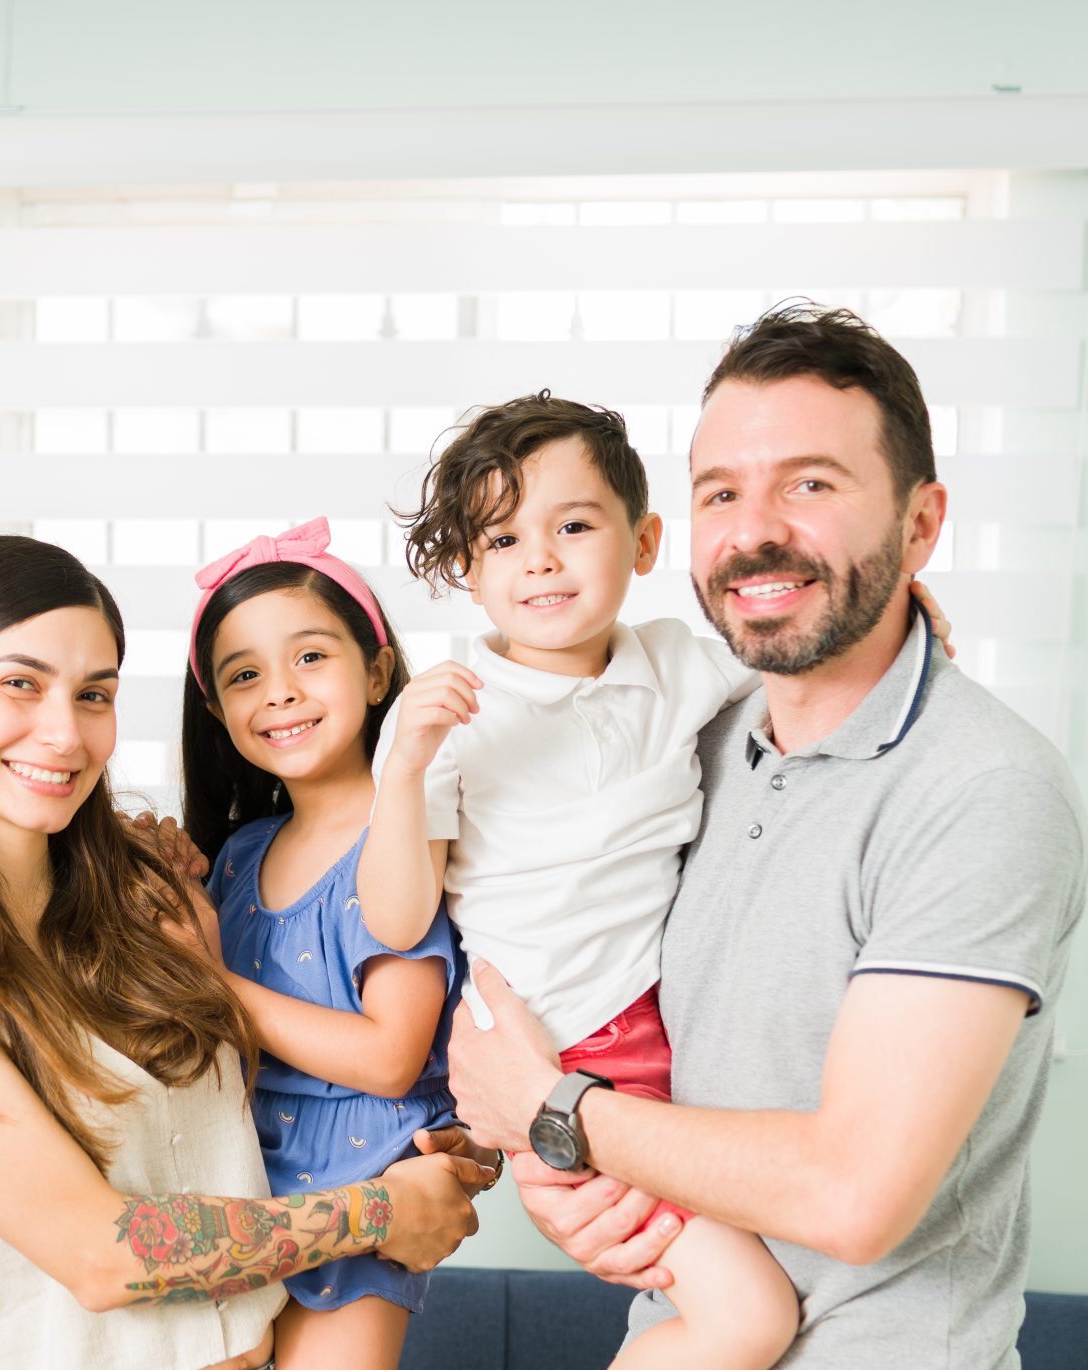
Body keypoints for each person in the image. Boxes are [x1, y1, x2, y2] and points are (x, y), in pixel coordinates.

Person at [446, 304, 1087, 1369]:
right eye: (720, 494)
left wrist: (555, 1109)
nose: (754, 530)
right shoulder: (693, 738)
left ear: (920, 523)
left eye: (810, 484)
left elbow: (852, 1190)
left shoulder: (983, 787)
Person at [0, 534, 486, 1370]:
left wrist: (433, 1140)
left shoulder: (148, 896)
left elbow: (285, 1097)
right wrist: (379, 1210)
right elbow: (107, 1254)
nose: (64, 733)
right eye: (19, 683)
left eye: (94, 694)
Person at [360, 394, 804, 1369]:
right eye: (502, 537)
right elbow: (395, 917)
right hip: (559, 1050)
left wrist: (911, 625)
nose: (540, 558)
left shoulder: (678, 666)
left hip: (666, 1032)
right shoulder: (449, 712)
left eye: (571, 525)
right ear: (467, 572)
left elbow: (810, 671)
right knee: (753, 1318)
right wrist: (402, 770)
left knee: (761, 1289)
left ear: (643, 542)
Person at [165, 518, 467, 1370]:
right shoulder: (238, 854)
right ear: (218, 711)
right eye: (244, 675)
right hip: (239, 1196)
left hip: (367, 1191)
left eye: (310, 657)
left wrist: (208, 980)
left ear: (376, 671)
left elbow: (390, 1058)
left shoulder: (403, 835)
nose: (280, 692)